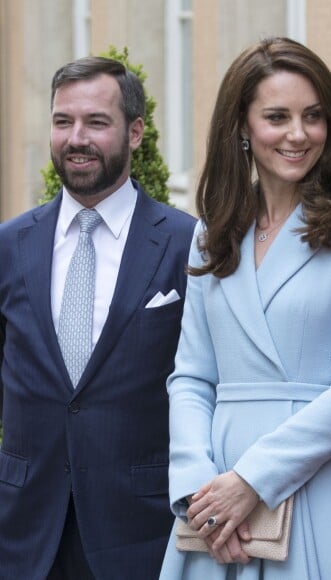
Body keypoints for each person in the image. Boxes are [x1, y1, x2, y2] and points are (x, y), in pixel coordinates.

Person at [160, 36, 331, 579]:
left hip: (314, 485)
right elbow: (192, 378)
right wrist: (200, 493)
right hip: (214, 500)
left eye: (313, 117)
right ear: (243, 128)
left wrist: (252, 481)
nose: (298, 134)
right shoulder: (212, 233)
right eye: (277, 116)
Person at [0, 57, 196, 579]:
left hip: (140, 533)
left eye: (96, 122)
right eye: (63, 121)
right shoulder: (10, 244)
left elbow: (205, 383)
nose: (76, 138)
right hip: (23, 535)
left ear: (135, 132)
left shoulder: (186, 245)